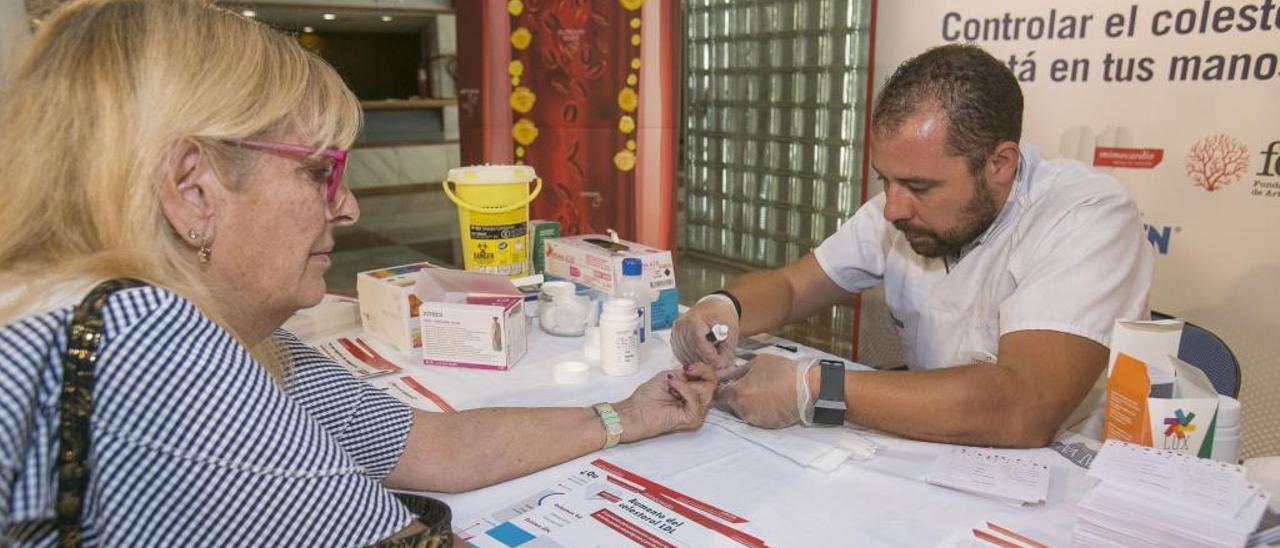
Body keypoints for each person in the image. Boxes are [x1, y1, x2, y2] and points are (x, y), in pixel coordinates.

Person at [0, 1, 717, 545]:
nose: (345, 208)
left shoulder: (221, 334)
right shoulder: (142, 339)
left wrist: (628, 414)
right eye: (321, 171)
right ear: (192, 190)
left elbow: (439, 448)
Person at [672, 44, 1152, 448]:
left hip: (1055, 470)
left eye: (919, 187)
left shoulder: (1087, 216)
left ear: (999, 164)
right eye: (887, 180)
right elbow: (795, 287)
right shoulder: (900, 206)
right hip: (933, 447)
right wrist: (724, 307)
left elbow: (1023, 407)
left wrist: (815, 386)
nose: (893, 208)